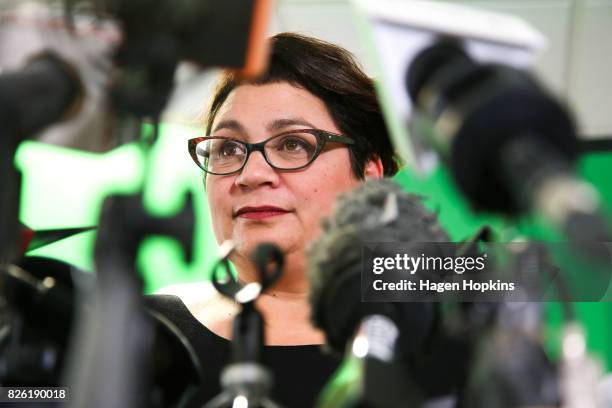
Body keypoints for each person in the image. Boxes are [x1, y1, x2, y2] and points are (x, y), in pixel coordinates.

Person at [147, 32, 400, 407]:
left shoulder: (435, 333)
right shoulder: (144, 330)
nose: (250, 174)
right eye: (228, 149)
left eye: (293, 144)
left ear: (369, 178)